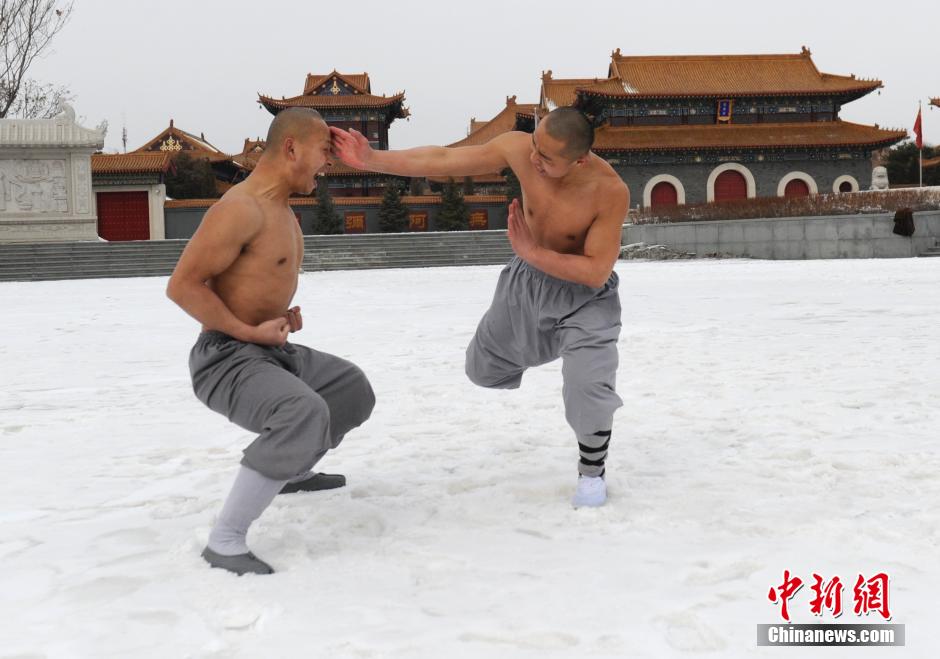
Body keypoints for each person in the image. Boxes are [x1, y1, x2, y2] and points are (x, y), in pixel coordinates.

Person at [331, 107, 627, 508]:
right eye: (535, 146)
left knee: (588, 384)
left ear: (580, 159)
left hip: (584, 300)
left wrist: (531, 251)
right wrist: (372, 159)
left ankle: (591, 474)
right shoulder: (522, 149)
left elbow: (594, 271)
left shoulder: (609, 191)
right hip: (528, 287)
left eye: (547, 158)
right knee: (481, 371)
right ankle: (553, 346)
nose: (533, 160)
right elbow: (444, 160)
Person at [166, 108, 375, 575]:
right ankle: (224, 541)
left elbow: (250, 285)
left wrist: (278, 319)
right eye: (324, 151)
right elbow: (182, 286)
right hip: (225, 358)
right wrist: (246, 330)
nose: (327, 164)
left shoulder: (282, 212)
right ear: (292, 148)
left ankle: (293, 471)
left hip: (269, 350)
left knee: (350, 389)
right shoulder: (240, 208)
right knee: (302, 413)